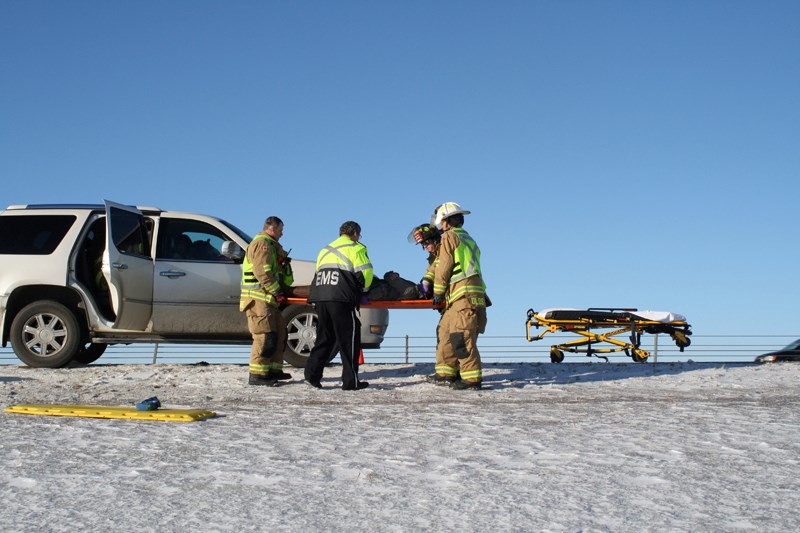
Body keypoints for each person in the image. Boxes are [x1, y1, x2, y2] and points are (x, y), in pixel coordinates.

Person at [304, 221, 374, 391]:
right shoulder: (356, 248)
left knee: (324, 337)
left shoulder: (324, 250)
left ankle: (311, 376)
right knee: (349, 338)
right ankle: (351, 382)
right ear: (356, 233)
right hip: (341, 297)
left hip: (320, 296)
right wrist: (363, 291)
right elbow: (365, 274)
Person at [428, 202, 487, 390]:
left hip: (463, 294)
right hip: (465, 294)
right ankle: (445, 373)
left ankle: (471, 379)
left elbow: (444, 266)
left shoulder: (449, 237)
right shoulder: (468, 239)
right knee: (445, 331)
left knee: (461, 337)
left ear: (446, 222)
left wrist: (437, 292)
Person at [240, 216, 294, 386]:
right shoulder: (262, 245)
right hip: (258, 299)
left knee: (279, 334)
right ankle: (257, 374)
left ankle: (273, 371)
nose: (282, 233)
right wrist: (276, 290)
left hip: (269, 300)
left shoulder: (272, 247)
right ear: (272, 229)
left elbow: (282, 276)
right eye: (280, 230)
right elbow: (262, 272)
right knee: (265, 337)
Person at [407, 222, 441, 298]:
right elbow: (430, 271)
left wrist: (426, 284)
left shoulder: (443, 251)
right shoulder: (433, 256)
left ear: (435, 239)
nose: (425, 246)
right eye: (423, 244)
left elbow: (441, 270)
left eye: (427, 242)